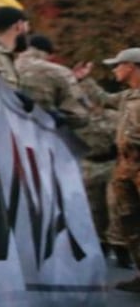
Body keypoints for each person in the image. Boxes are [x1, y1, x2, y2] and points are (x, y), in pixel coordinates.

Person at [79, 48, 140, 292]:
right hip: (125, 166)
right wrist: (84, 80)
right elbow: (103, 98)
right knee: (129, 221)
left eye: (118, 65)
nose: (114, 69)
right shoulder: (127, 97)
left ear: (132, 67)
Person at [15, 34, 88, 127]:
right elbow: (79, 115)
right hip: (42, 130)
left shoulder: (7, 64)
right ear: (49, 54)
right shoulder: (60, 71)